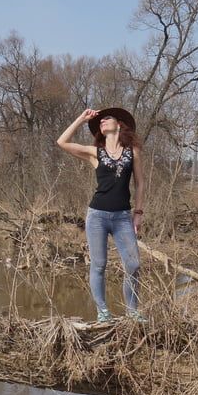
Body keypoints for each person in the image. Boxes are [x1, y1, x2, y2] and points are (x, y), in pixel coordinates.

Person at [56, 108, 145, 323]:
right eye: (100, 120)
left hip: (123, 217)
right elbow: (62, 142)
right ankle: (103, 311)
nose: (103, 121)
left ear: (119, 124)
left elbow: (140, 183)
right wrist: (81, 118)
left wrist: (138, 212)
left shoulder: (132, 151)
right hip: (97, 216)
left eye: (108, 118)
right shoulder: (96, 152)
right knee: (99, 265)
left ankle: (132, 311)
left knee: (133, 264)